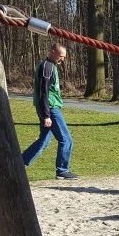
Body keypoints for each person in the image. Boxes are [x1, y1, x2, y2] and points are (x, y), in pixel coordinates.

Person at [21, 43, 78, 179]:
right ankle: (62, 170)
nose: (62, 60)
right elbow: (43, 92)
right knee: (66, 139)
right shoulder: (47, 67)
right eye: (60, 56)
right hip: (50, 108)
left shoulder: (50, 66)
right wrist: (47, 115)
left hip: (49, 107)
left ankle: (19, 163)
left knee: (44, 140)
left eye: (64, 57)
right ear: (52, 52)